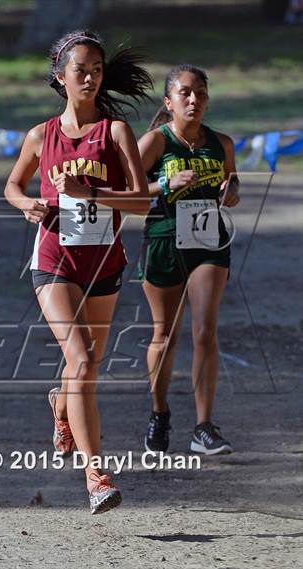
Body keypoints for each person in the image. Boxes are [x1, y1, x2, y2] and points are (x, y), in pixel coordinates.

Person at [4, 30, 151, 514]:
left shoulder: (114, 133)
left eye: (96, 70)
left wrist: (93, 195)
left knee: (84, 370)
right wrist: (28, 204)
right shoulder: (39, 136)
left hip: (104, 264)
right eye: (80, 69)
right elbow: (12, 185)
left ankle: (60, 405)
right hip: (54, 263)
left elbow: (144, 202)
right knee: (83, 362)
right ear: (60, 76)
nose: (89, 77)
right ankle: (96, 476)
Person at [138, 64, 240, 456]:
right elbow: (126, 194)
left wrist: (232, 189)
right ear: (169, 102)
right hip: (164, 242)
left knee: (204, 331)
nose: (193, 99)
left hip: (209, 243)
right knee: (165, 335)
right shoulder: (155, 143)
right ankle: (159, 412)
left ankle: (203, 426)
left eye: (200, 92)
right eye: (184, 93)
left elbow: (230, 184)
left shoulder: (222, 144)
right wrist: (164, 184)